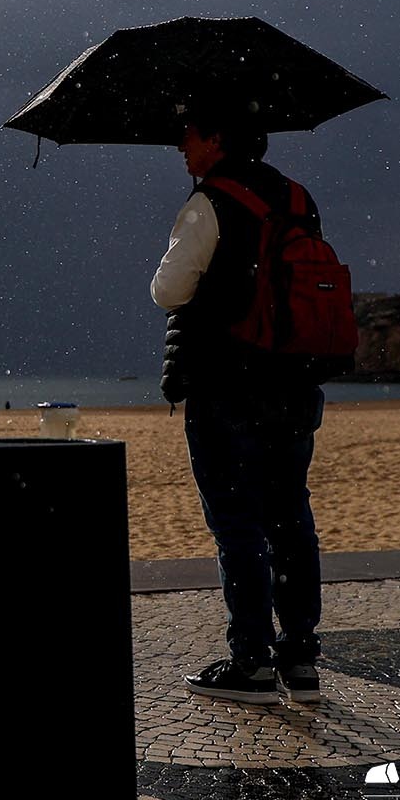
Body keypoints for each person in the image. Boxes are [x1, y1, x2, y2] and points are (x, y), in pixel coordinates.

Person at [152, 109, 326, 706]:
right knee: (290, 516)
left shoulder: (209, 203)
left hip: (226, 383)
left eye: (191, 131)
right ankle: (300, 659)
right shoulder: (297, 197)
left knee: (237, 523)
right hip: (295, 382)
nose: (181, 142)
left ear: (217, 136)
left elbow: (168, 290)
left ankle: (249, 661)